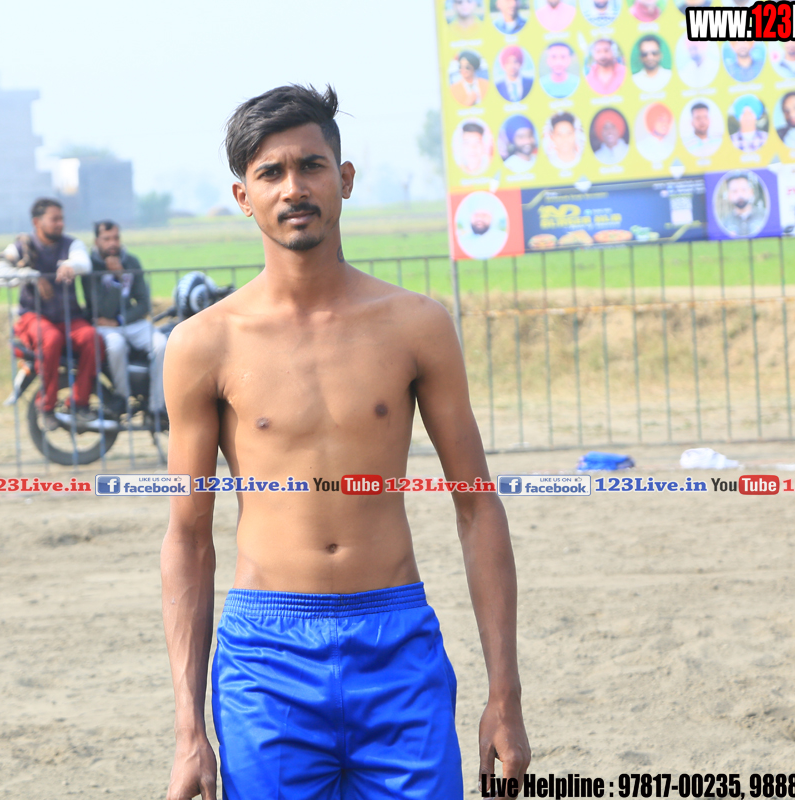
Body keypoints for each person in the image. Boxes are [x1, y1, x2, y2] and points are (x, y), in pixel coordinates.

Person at [161, 83, 529, 800]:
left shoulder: (416, 326)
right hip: (265, 657)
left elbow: (478, 507)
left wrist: (504, 696)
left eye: (311, 165)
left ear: (346, 178)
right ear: (243, 197)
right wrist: (188, 732)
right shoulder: (205, 344)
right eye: (270, 173)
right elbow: (188, 536)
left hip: (397, 643)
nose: (293, 188)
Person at [0, 198, 101, 432]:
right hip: (34, 317)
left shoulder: (71, 245)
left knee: (93, 338)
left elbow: (84, 262)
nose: (60, 224)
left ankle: (79, 403)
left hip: (69, 318)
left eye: (62, 219)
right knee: (50, 339)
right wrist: (30, 275)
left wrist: (71, 266)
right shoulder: (22, 247)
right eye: (54, 219)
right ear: (37, 222)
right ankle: (46, 406)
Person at [84, 220, 167, 419]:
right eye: (106, 239)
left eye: (116, 238)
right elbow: (102, 309)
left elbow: (143, 303)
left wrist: (121, 320)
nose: (112, 243)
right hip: (104, 325)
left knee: (162, 345)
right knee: (116, 347)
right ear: (97, 241)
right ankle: (123, 398)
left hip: (129, 321)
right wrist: (116, 279)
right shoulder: (90, 267)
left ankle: (157, 407)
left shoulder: (131, 262)